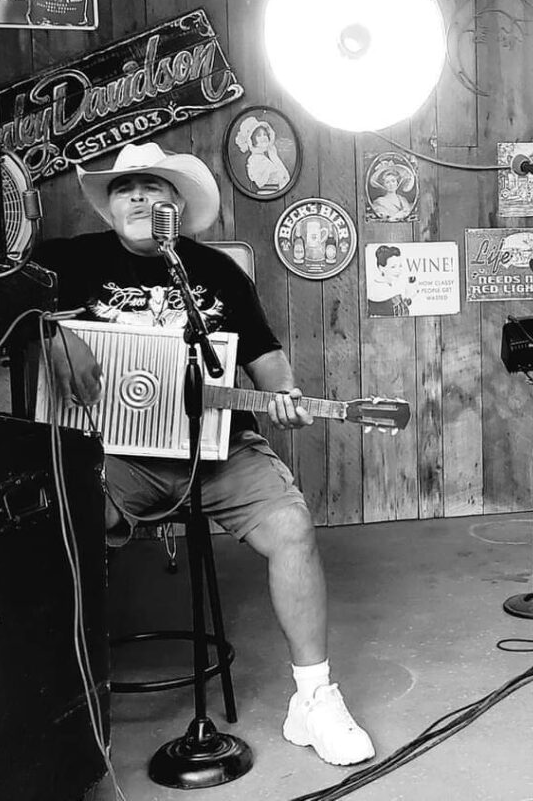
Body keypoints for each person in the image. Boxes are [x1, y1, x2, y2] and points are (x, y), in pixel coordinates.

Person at [34, 141, 374, 767]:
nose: (137, 195)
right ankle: (61, 699)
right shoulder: (59, 263)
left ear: (177, 203)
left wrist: (286, 396)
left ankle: (314, 696)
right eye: (124, 186)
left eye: (153, 185)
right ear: (108, 205)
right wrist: (50, 329)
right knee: (67, 521)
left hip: (218, 446)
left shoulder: (215, 273)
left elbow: (266, 359)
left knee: (291, 525)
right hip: (119, 454)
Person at [234, 116, 291, 194]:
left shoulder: (265, 156)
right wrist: (274, 157)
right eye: (259, 136)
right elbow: (283, 180)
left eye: (265, 134)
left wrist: (274, 156)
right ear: (252, 140)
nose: (264, 137)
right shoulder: (256, 160)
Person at [367, 245, 417, 316]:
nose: (398, 271)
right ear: (381, 268)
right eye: (393, 267)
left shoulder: (391, 286)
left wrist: (409, 297)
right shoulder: (376, 288)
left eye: (400, 266)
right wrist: (408, 296)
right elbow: (398, 314)